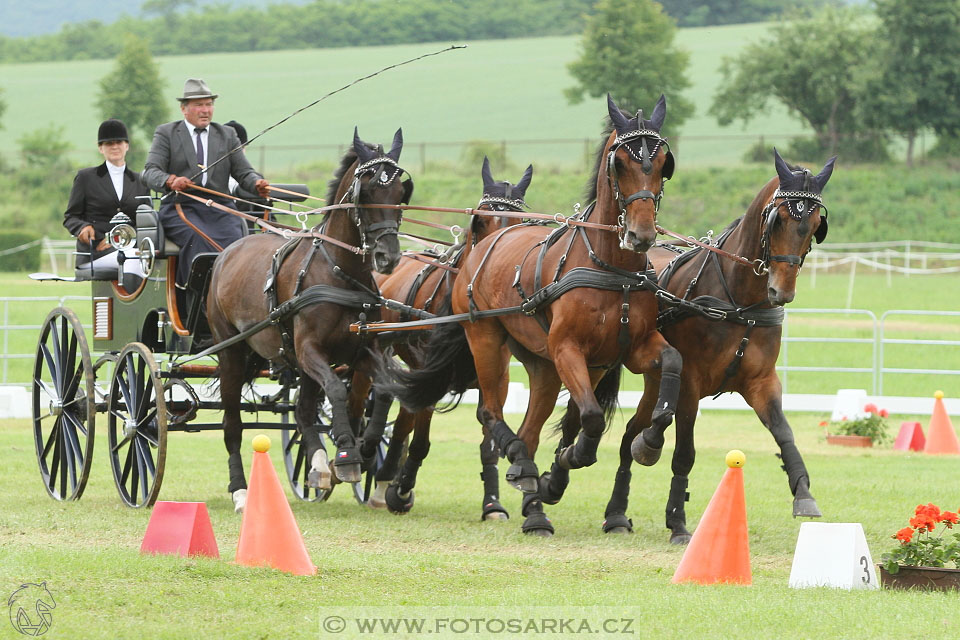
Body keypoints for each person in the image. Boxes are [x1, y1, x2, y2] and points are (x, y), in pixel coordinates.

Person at [142, 78, 270, 288]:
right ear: (184, 109)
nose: (205, 110)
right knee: (198, 240)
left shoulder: (227, 135)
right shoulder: (167, 133)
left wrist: (257, 184)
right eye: (199, 105)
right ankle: (194, 297)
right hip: (180, 208)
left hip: (220, 210)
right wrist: (170, 180)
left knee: (238, 244)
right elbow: (149, 172)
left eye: (209, 104)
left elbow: (244, 172)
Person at [63, 118, 148, 283]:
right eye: (109, 143)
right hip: (95, 254)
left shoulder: (140, 181)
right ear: (101, 148)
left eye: (119, 142)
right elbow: (71, 217)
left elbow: (145, 221)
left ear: (127, 146)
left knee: (148, 261)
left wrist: (118, 241)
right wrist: (83, 227)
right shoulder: (86, 178)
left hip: (130, 249)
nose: (115, 147)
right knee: (133, 262)